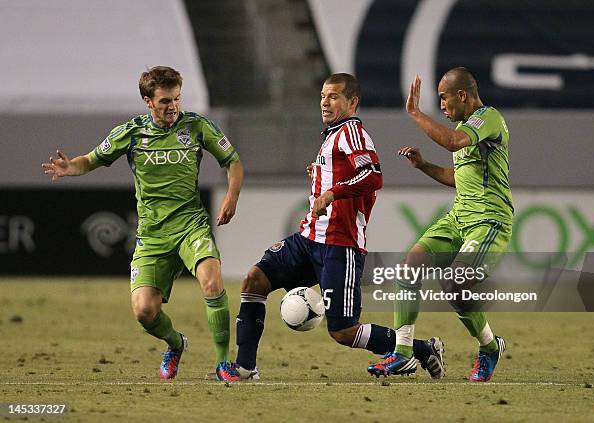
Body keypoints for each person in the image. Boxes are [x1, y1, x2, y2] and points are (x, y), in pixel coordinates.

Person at [232, 73, 444, 380]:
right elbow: (345, 173)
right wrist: (320, 175)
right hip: (309, 238)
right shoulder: (333, 134)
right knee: (254, 281)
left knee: (343, 331)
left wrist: (331, 192)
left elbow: (373, 176)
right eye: (322, 96)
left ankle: (419, 349)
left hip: (339, 244)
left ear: (352, 102)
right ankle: (245, 367)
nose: (325, 102)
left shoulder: (352, 132)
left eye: (333, 96)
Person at [42, 66, 244, 382]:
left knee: (212, 282)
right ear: (148, 101)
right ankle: (176, 344)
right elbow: (92, 159)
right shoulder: (132, 133)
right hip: (152, 235)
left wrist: (231, 196)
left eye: (177, 98)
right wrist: (71, 167)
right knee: (144, 312)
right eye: (165, 100)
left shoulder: (196, 126)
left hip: (191, 225)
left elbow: (232, 161)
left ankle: (222, 363)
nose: (173, 106)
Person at [368, 67, 512, 382]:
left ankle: (489, 348)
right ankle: (403, 352)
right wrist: (423, 166)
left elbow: (452, 142)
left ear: (462, 95)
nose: (442, 106)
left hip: (489, 221)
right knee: (410, 266)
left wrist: (416, 113)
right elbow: (457, 177)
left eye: (444, 98)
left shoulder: (487, 119)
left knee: (456, 284)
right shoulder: (466, 127)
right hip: (460, 217)